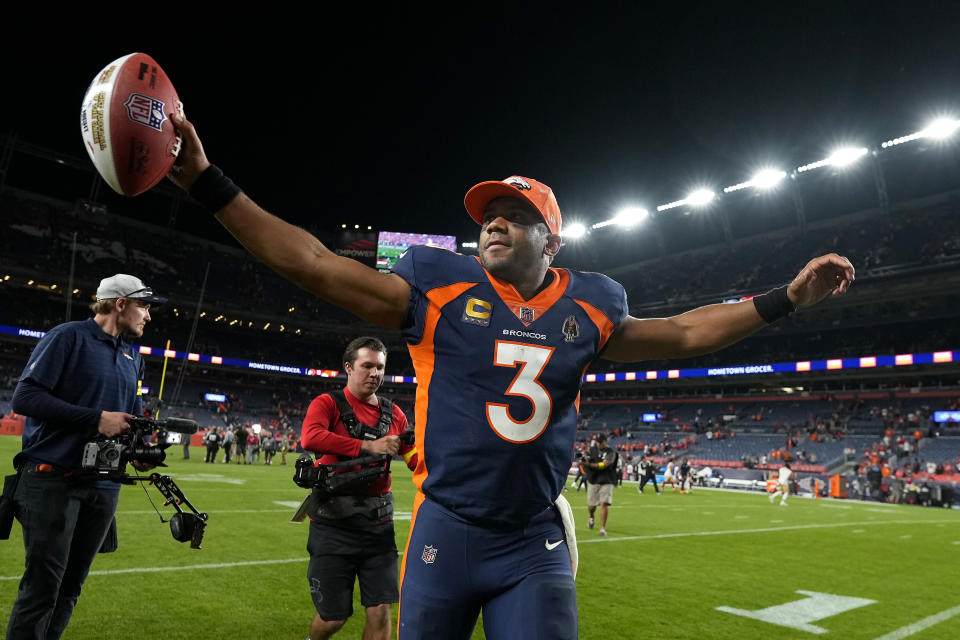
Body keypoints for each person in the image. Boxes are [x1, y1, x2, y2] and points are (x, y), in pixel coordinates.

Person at [166, 110, 855, 639]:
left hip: (534, 538)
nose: (495, 224)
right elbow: (312, 263)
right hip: (447, 525)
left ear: (552, 242)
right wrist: (207, 182)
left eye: (516, 218)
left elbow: (682, 332)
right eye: (490, 216)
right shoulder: (436, 289)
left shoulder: (590, 304)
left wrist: (786, 299)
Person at [5, 274, 165, 640]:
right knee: (42, 589)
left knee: (70, 589)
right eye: (144, 306)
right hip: (52, 477)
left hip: (104, 483)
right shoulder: (68, 336)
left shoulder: (132, 356)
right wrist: (95, 418)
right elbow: (24, 399)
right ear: (120, 303)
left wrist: (140, 449)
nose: (149, 317)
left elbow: (132, 415)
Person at [300, 337, 417, 640]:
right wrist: (368, 445)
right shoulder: (327, 403)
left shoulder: (395, 415)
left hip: (378, 528)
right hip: (332, 526)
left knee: (380, 610)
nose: (375, 373)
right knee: (333, 618)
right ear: (349, 367)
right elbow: (310, 438)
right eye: (367, 366)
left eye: (380, 367)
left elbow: (414, 457)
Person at [585, 433, 618, 536]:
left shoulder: (610, 452)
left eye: (600, 441)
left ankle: (603, 528)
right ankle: (591, 516)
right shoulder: (591, 450)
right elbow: (583, 458)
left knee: (604, 503)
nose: (599, 443)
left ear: (605, 441)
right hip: (594, 480)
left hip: (607, 480)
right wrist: (582, 460)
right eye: (597, 441)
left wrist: (589, 464)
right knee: (591, 506)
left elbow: (604, 465)